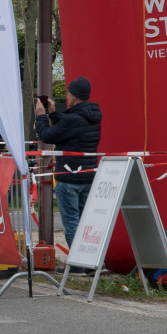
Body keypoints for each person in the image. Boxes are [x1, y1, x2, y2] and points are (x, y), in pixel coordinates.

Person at [34, 76, 102, 261]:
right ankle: (91, 262)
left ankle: (79, 263)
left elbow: (47, 135)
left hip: (69, 177)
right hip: (87, 176)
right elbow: (68, 128)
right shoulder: (91, 117)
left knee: (72, 223)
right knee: (85, 223)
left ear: (76, 96)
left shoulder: (73, 119)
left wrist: (41, 116)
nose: (67, 95)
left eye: (68, 92)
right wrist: (53, 113)